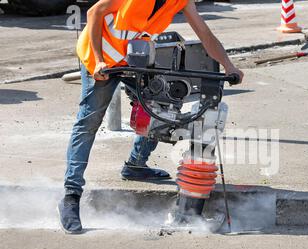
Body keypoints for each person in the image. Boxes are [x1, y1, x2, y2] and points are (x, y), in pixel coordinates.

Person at [58, 0, 244, 234]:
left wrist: (229, 66)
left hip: (134, 58)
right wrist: (99, 60)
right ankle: (70, 196)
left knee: (161, 107)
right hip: (100, 58)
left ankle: (136, 164)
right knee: (89, 121)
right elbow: (95, 12)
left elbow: (204, 33)